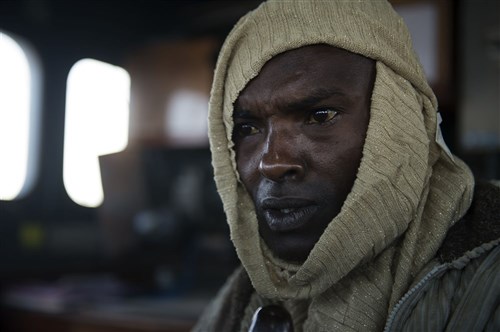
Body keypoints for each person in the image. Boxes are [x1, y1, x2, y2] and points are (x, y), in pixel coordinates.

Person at [194, 0, 500, 331]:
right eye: (248, 129)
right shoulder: (245, 295)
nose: (273, 163)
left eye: (320, 116)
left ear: (400, 120)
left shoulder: (486, 274)